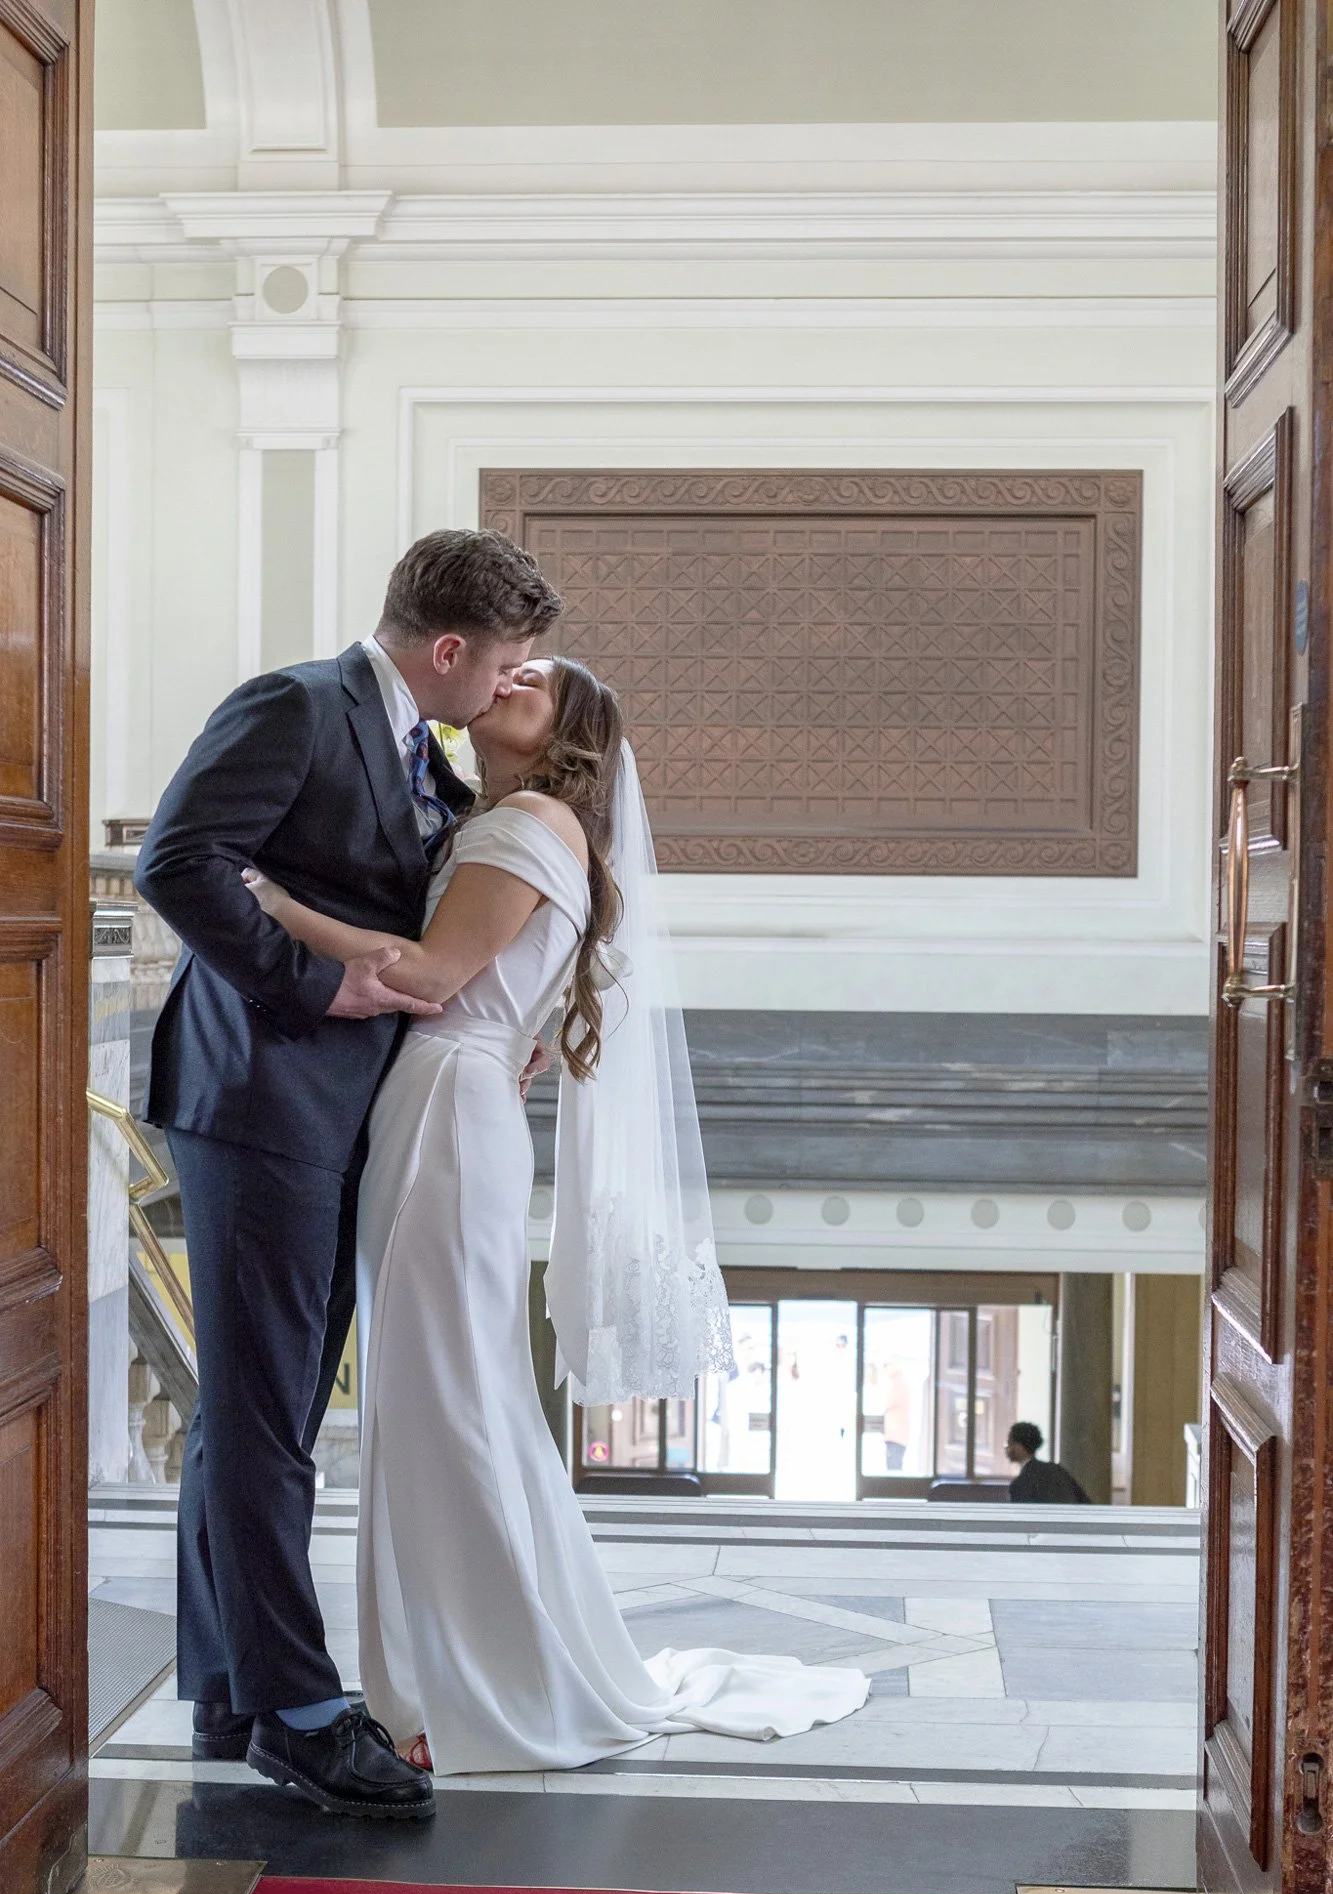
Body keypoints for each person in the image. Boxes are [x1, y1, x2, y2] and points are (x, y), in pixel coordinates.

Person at [247, 658, 870, 1774]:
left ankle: (477, 1679)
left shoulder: (529, 820)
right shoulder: (520, 821)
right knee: (452, 1392)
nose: (509, 675)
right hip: (454, 1105)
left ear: (568, 729)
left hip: (445, 1105)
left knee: (442, 1400)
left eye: (534, 677)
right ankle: (466, 1667)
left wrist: (274, 904)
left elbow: (434, 972)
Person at [133, 529, 562, 1817]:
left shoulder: (419, 747)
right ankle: (305, 1712)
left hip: (330, 1108)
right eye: (504, 665)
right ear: (447, 649)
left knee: (253, 1408)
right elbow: (175, 861)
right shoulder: (296, 705)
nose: (505, 687)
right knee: (270, 1418)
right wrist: (320, 982)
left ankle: (226, 1681)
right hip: (259, 1091)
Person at [1004, 1422, 1091, 1504]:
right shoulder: (1057, 1470)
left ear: (1019, 1446)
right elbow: (1085, 1502)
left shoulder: (1020, 1484)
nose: (1007, 1448)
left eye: (1009, 1443)